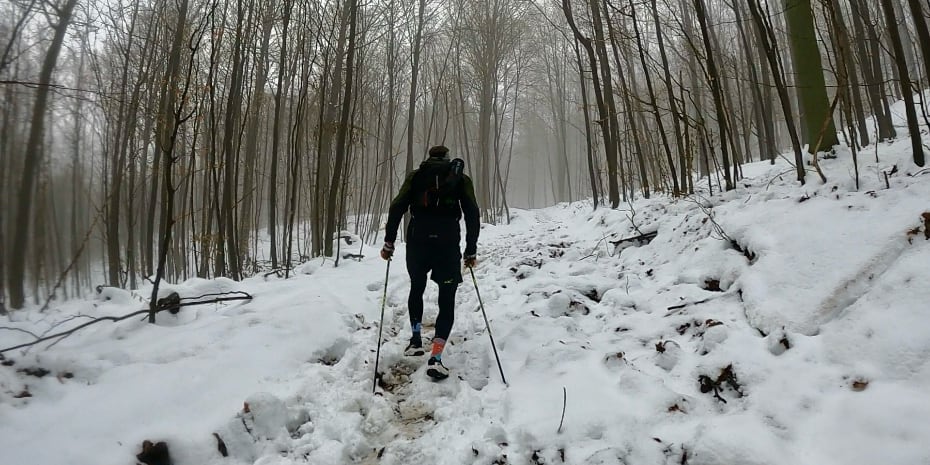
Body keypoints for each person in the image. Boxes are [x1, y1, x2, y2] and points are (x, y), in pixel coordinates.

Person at [380, 145, 480, 380]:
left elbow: (397, 207)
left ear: (429, 157)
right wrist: (470, 250)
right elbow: (472, 213)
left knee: (417, 286)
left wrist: (389, 242)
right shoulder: (460, 178)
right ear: (446, 158)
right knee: (447, 295)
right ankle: (436, 356)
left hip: (418, 240)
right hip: (447, 242)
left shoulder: (416, 176)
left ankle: (415, 339)